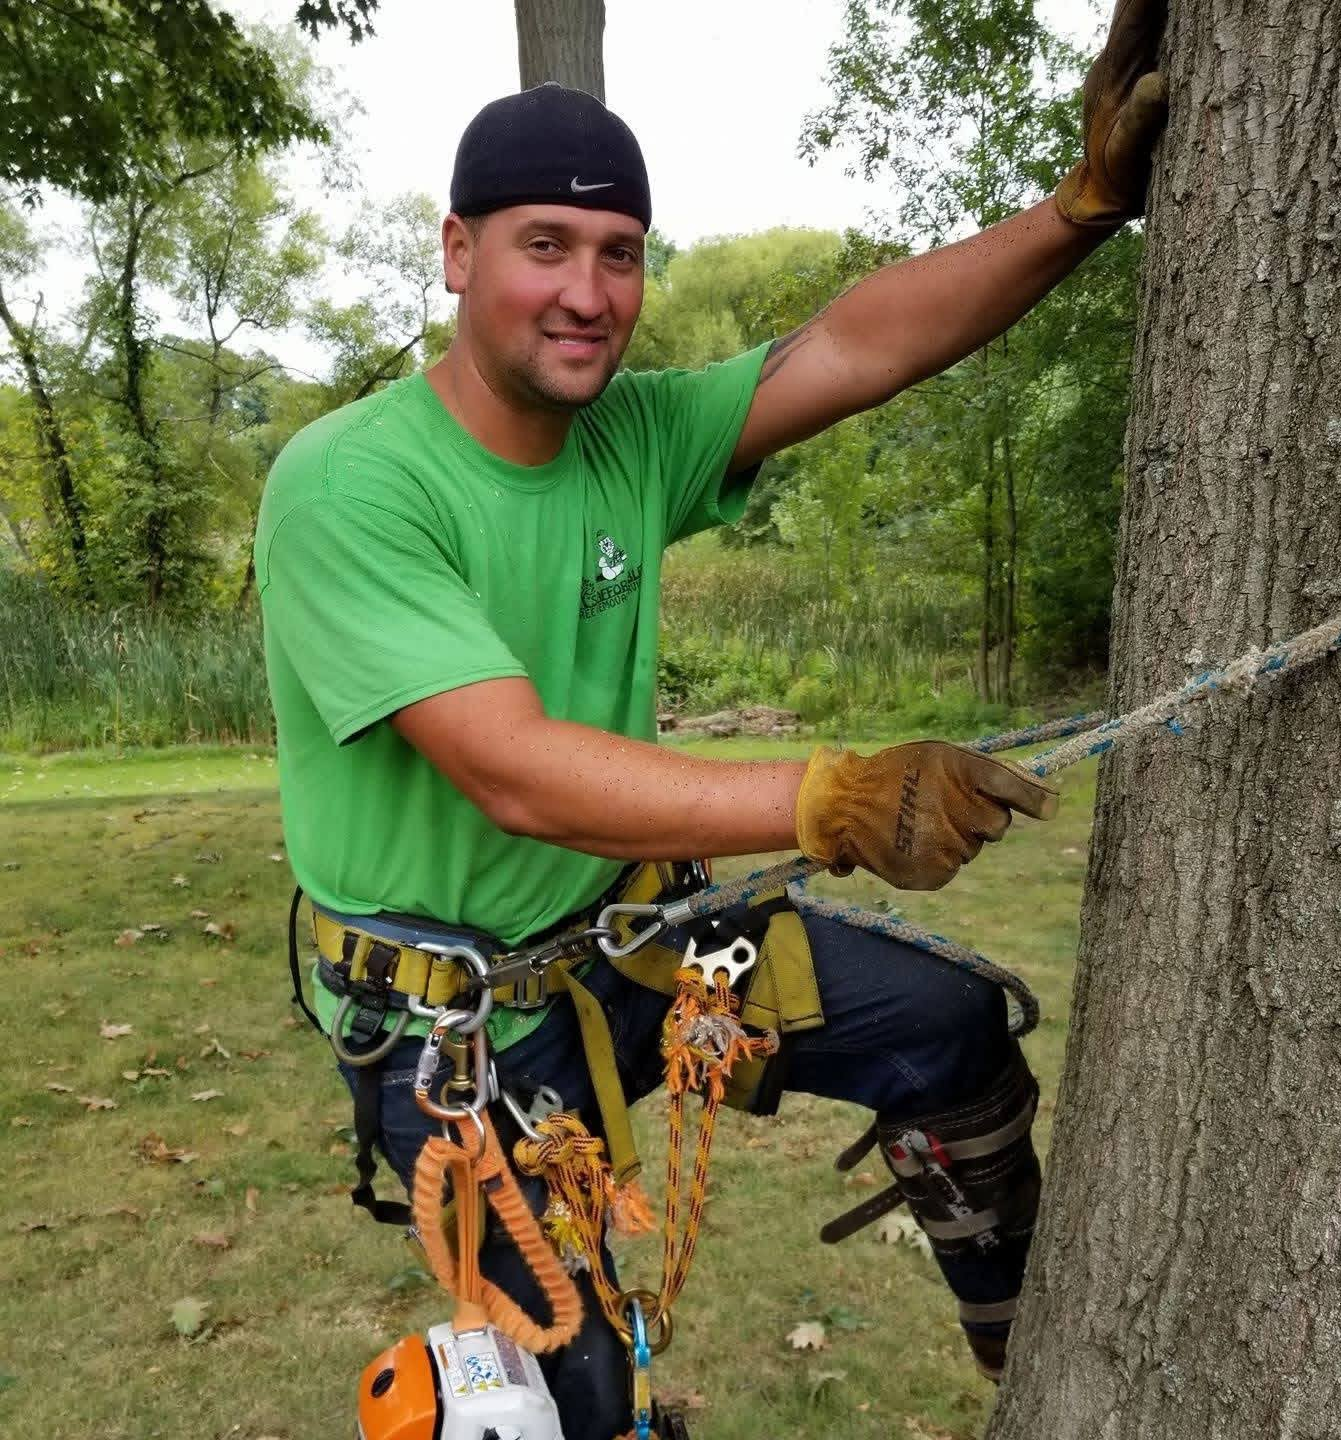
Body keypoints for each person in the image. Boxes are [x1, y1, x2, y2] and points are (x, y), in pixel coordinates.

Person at [256, 6, 1165, 1433]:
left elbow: (859, 345)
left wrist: (1080, 211)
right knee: (578, 1396)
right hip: (459, 1029)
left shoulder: (633, 434)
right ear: (455, 254)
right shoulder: (350, 483)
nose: (586, 291)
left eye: (618, 255)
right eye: (542, 245)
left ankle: (1039, 1378)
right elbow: (514, 773)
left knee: (948, 1033)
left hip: (627, 941)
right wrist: (826, 797)